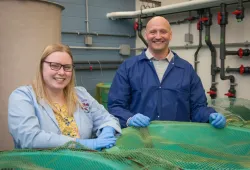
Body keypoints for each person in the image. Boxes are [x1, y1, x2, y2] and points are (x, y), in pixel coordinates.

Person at [108, 16, 226, 129]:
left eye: (163, 31)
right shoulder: (128, 67)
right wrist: (129, 118)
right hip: (140, 139)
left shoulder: (186, 69)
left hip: (177, 140)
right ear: (146, 35)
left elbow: (198, 107)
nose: (158, 36)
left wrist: (210, 115)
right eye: (153, 32)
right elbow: (116, 106)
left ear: (170, 35)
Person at [8, 43, 121, 150]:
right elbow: (29, 138)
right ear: (41, 66)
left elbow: (107, 119)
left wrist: (108, 131)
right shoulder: (23, 97)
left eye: (67, 67)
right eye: (55, 66)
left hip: (83, 162)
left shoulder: (80, 95)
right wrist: (83, 144)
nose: (62, 72)